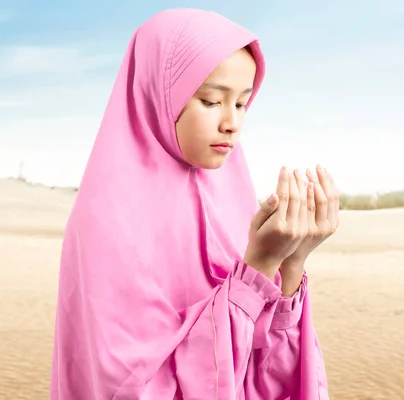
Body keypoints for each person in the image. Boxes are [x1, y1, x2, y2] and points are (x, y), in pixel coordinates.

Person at [49, 7, 339, 400]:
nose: (232, 123)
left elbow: (264, 374)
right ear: (157, 93)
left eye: (241, 104)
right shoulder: (110, 223)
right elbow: (139, 388)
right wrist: (257, 271)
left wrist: (289, 266)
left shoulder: (231, 196)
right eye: (210, 100)